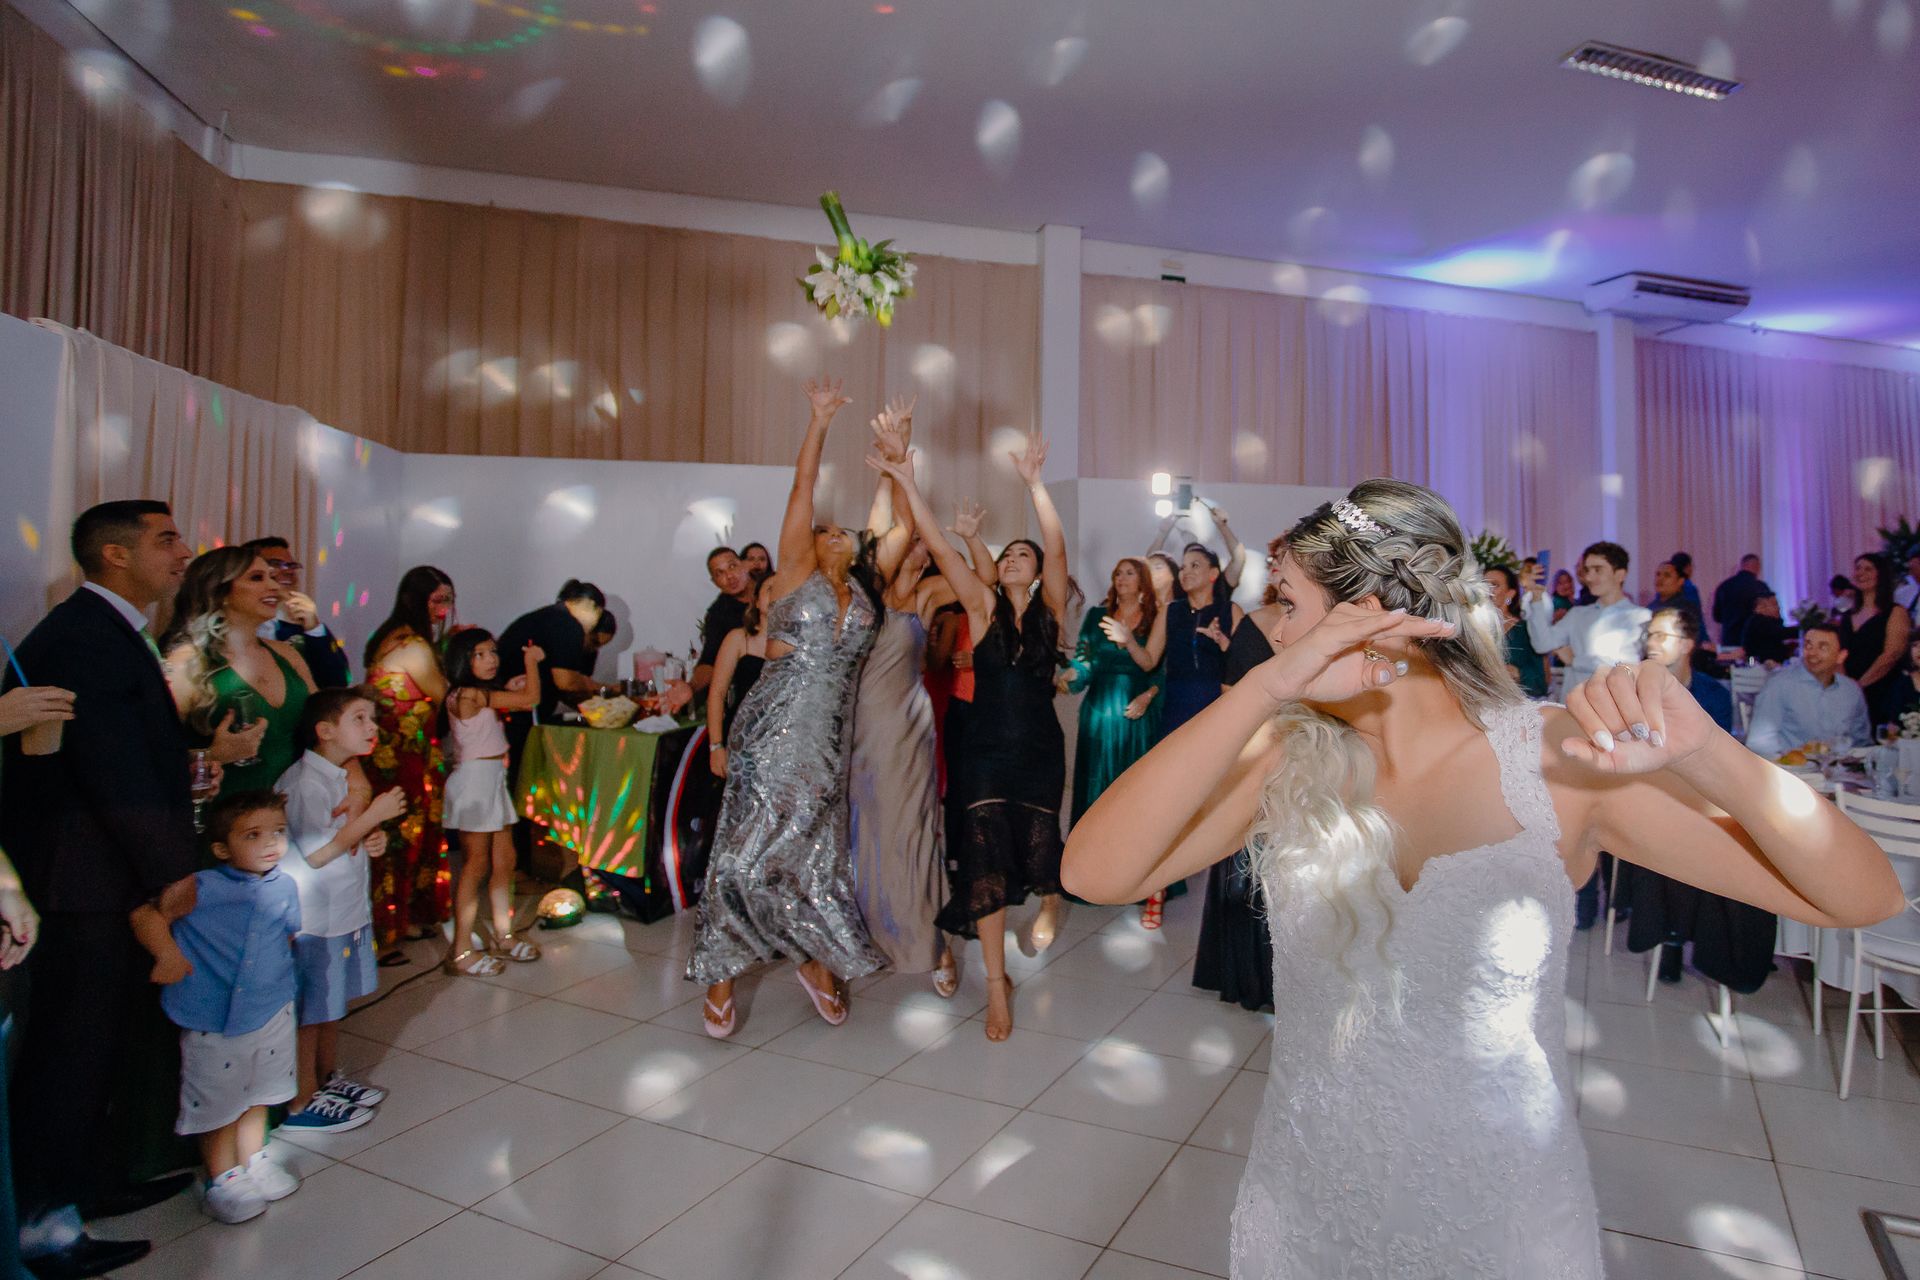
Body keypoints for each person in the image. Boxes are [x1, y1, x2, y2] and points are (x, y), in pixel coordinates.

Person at [1061, 478, 1903, 1278]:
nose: (1266, 625)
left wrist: (1712, 756)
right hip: (1308, 1194)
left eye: (1284, 601)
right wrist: (1259, 691)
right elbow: (1095, 872)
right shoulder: (1286, 757)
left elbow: (1864, 896)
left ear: (1373, 617)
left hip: (1500, 1209)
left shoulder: (1555, 759)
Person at [3, 500, 206, 1279]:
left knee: (103, 1046)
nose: (182, 552)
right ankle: (43, 1225)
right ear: (115, 555)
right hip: (81, 881)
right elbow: (112, 771)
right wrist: (170, 867)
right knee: (70, 1052)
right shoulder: (82, 636)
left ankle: (89, 1181)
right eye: (166, 539)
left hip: (104, 874)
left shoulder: (112, 630)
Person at [688, 379, 885, 1038]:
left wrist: (896, 464)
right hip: (772, 732)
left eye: (838, 530)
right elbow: (802, 487)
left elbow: (898, 528)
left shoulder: (863, 594)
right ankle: (721, 971)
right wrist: (820, 420)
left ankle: (810, 957)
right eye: (820, 530)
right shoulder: (797, 573)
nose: (829, 532)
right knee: (742, 853)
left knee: (813, 857)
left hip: (826, 742)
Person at [869, 430, 1071, 1043]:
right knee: (984, 864)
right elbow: (937, 544)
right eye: (1007, 554)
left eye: (1022, 556)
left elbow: (1058, 546)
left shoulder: (1051, 611)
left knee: (1039, 845)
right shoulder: (980, 608)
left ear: (1036, 572)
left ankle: (1051, 897)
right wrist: (908, 483)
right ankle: (997, 985)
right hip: (984, 751)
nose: (1012, 560)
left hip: (1038, 750)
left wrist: (1036, 485)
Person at [129, 791, 304, 1226]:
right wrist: (168, 955)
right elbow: (146, 915)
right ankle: (222, 1176)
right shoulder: (202, 887)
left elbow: (287, 936)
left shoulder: (285, 886)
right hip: (214, 1015)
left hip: (271, 1010)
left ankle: (255, 1157)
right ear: (222, 848)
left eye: (278, 832)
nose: (271, 843)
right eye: (253, 835)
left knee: (261, 1091)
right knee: (219, 1099)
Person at [847, 400, 954, 987]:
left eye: (913, 541)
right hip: (860, 724)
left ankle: (930, 941)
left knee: (913, 826)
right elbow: (881, 531)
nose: (909, 543)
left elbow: (918, 530)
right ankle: (867, 937)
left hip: (908, 722)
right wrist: (888, 470)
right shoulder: (866, 594)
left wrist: (900, 460)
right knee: (866, 828)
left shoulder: (932, 592)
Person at [274, 688, 406, 1135]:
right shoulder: (303, 784)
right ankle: (302, 1098)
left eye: (371, 718)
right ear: (326, 731)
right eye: (359, 719)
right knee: (311, 1011)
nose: (372, 728)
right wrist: (372, 818)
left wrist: (371, 838)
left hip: (343, 910)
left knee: (332, 1005)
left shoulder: (338, 777)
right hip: (316, 917)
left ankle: (327, 1078)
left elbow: (344, 837)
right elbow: (315, 854)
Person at [1626, 608, 1777, 987]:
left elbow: (1719, 756)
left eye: (1662, 636)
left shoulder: (1713, 693)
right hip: (1645, 792)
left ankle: (1717, 942)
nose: (1651, 643)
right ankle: (1674, 935)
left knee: (1743, 836)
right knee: (1680, 829)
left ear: (1688, 644)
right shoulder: (1633, 688)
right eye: (1650, 635)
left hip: (1700, 793)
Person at [1191, 538, 1283, 1010]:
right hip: (1265, 762)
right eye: (1278, 563)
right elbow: (1232, 700)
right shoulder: (1257, 625)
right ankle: (1252, 976)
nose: (1279, 570)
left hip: (1326, 766)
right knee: (1254, 868)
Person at [161, 547, 319, 796]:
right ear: (220, 592)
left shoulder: (288, 654)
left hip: (292, 806)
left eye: (272, 577)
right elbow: (152, 752)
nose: (274, 587)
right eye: (257, 578)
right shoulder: (188, 664)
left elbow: (325, 723)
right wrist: (214, 755)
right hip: (225, 808)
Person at [1066, 557, 1167, 920]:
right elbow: (1083, 661)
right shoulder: (1097, 616)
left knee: (1133, 797)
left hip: (1135, 715)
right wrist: (1069, 677)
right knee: (1096, 793)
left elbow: (1157, 667)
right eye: (1117, 573)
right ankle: (1095, 875)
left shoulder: (1155, 617)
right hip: (1099, 712)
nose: (1121, 578)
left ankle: (1135, 876)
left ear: (1142, 582)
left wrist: (1148, 694)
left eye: (1129, 573)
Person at [363, 566, 456, 960]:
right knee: (401, 839)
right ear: (416, 600)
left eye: (448, 600)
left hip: (402, 751)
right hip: (402, 757)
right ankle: (386, 932)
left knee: (410, 837)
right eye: (437, 600)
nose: (443, 609)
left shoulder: (392, 635)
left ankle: (407, 920)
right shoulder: (414, 646)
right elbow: (441, 693)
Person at [439, 632, 545, 976]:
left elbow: (515, 700)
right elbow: (531, 698)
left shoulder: (477, 694)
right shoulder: (468, 694)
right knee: (476, 865)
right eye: (480, 654)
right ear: (462, 659)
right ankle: (461, 951)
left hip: (492, 781)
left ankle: (503, 935)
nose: (491, 659)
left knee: (504, 861)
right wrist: (531, 663)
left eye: (493, 652)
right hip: (475, 784)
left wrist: (512, 687)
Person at [1522, 542, 1651, 690]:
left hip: (1614, 701)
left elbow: (1628, 667)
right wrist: (1536, 598)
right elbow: (1542, 644)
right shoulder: (1577, 614)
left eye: (1598, 570)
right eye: (1587, 570)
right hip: (1571, 700)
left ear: (1620, 574)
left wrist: (1576, 660)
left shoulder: (1641, 617)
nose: (1589, 577)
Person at [1745, 624, 1872, 758]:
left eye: (1823, 647)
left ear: (1841, 656)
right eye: (1808, 646)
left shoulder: (1851, 690)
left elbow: (1861, 743)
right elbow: (1759, 743)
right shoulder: (1779, 685)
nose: (1812, 653)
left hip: (1839, 766)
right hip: (1792, 767)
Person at [241, 536, 352, 688]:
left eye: (292, 565)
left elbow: (337, 683)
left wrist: (314, 629)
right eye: (276, 564)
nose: (288, 571)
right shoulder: (228, 624)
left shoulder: (300, 627)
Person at [1838, 552, 1913, 728]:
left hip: (1883, 689)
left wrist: (1861, 685)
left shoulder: (1895, 612)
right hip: (1851, 692)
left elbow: (1892, 654)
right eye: (1858, 568)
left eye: (1868, 569)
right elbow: (1840, 654)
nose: (1861, 573)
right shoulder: (1847, 616)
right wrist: (1846, 687)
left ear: (1880, 575)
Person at [707, 579, 775, 770]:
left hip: (778, 741)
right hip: (740, 737)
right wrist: (716, 746)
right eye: (770, 590)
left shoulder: (797, 644)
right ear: (757, 600)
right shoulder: (738, 638)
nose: (776, 596)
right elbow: (717, 693)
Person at [690, 549, 756, 704]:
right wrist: (690, 688)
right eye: (719, 573)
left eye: (732, 566)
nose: (729, 576)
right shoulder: (719, 613)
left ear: (744, 565)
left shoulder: (772, 588)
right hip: (749, 696)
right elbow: (709, 660)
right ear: (714, 582)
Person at [1485, 564, 1548, 698]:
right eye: (1483, 584)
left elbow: (1542, 681)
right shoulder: (1473, 629)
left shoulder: (1525, 630)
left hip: (1516, 702)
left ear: (1510, 594)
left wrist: (1517, 673)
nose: (1487, 590)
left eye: (1494, 585)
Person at [1711, 553, 1770, 649]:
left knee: (1731, 659)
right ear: (1757, 566)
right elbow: (1768, 615)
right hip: (1754, 642)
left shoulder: (1724, 586)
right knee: (1753, 660)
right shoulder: (1760, 587)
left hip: (1729, 641)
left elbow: (1717, 616)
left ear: (1742, 565)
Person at [1737, 592, 1794, 666]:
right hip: (1759, 667)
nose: (1778, 608)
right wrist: (1803, 628)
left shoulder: (1761, 622)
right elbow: (1781, 633)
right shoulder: (1759, 622)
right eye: (1774, 604)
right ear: (1760, 608)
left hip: (1760, 665)